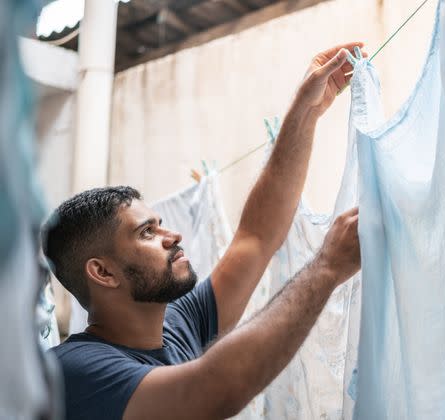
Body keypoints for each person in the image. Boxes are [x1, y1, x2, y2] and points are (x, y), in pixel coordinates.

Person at [42, 43, 365, 420]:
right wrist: (326, 268)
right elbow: (210, 391)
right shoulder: (71, 371)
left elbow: (256, 238)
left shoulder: (179, 323)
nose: (173, 236)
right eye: (147, 233)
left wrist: (306, 110)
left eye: (160, 224)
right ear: (102, 272)